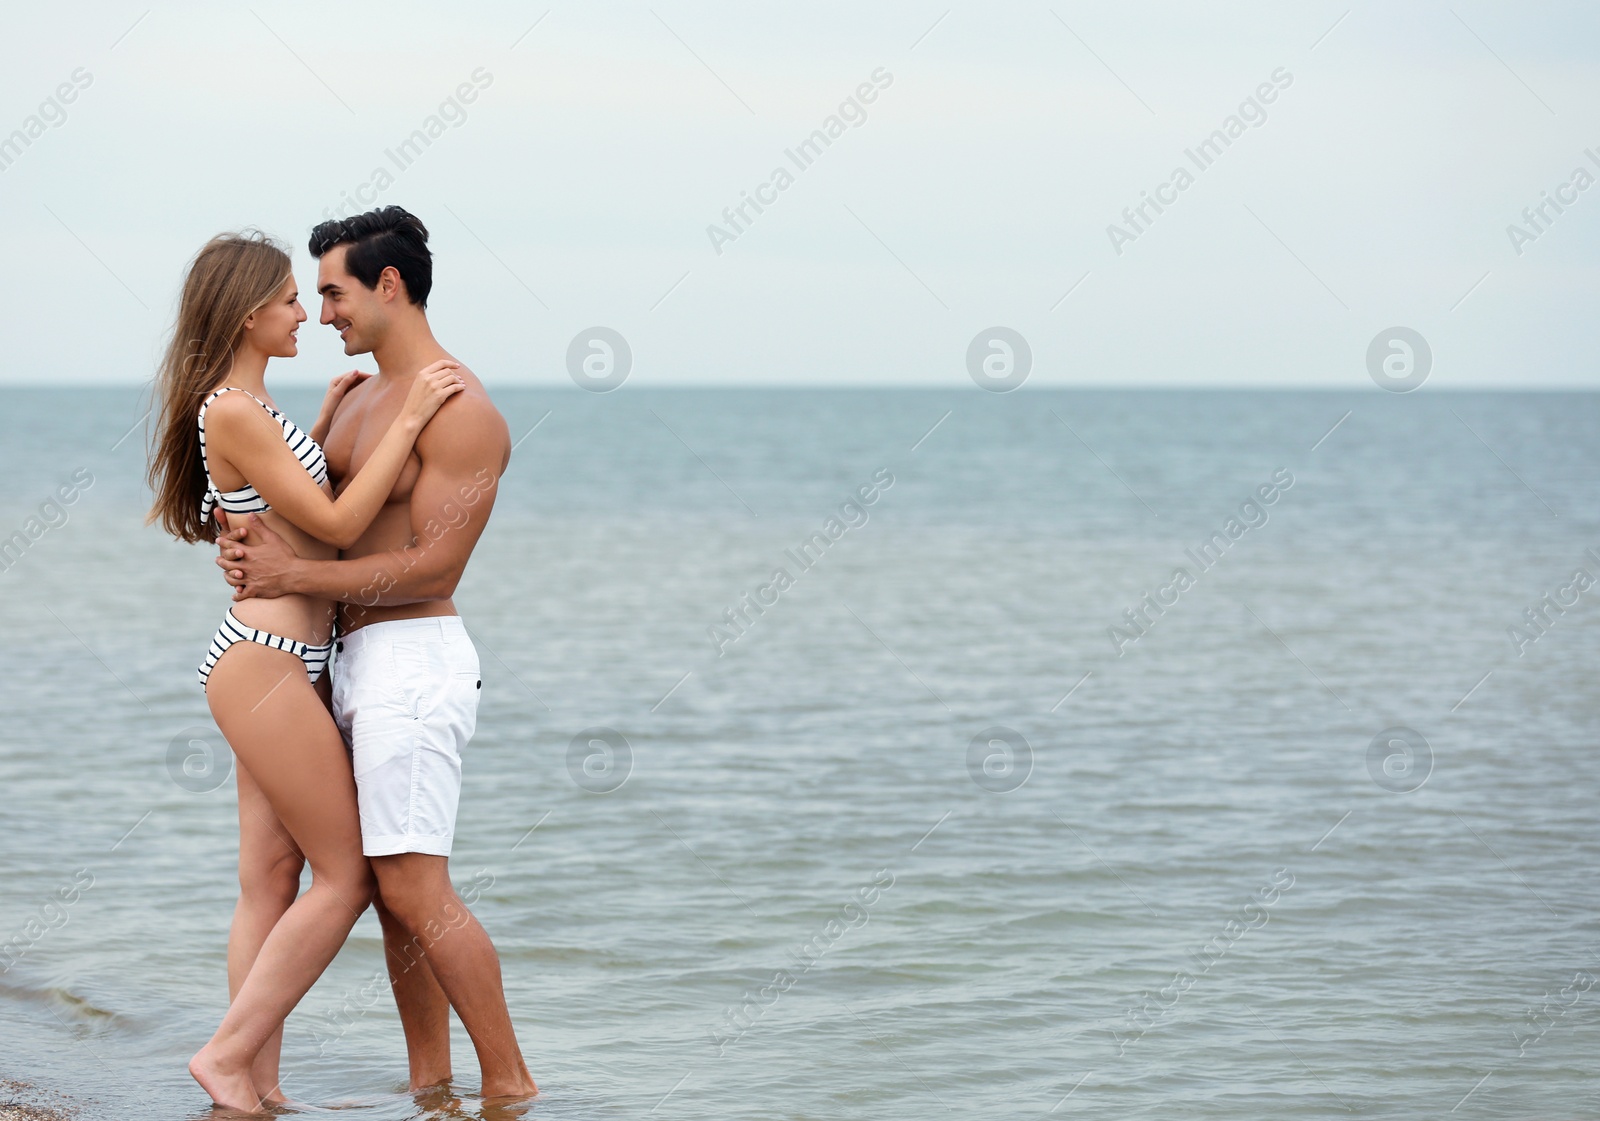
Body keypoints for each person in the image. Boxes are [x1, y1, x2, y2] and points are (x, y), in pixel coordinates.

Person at [214, 206, 538, 1100]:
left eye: (333, 291)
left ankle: (511, 1089)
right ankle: (431, 1089)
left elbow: (438, 560)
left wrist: (301, 577)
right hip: (340, 665)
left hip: (412, 660)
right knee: (396, 904)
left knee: (414, 887)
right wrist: (243, 544)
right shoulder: (356, 397)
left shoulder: (463, 409)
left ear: (388, 285)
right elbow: (299, 525)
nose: (323, 315)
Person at [145, 230, 466, 1109]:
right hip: (268, 663)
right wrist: (405, 419)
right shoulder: (235, 408)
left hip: (270, 660)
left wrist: (323, 423)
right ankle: (226, 1052)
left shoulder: (247, 405)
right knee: (349, 874)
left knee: (269, 881)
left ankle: (253, 1082)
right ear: (251, 314)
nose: (307, 315)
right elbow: (333, 518)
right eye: (292, 299)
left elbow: (284, 504)